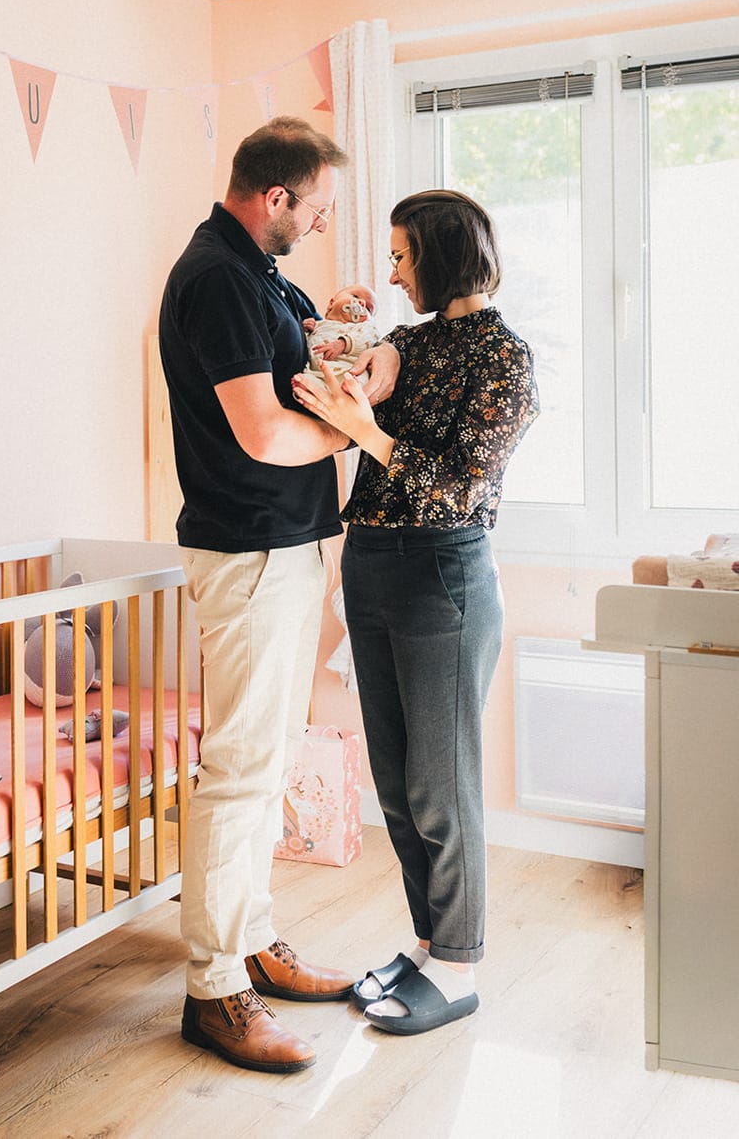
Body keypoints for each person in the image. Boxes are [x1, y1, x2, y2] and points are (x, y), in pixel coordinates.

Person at [292, 189, 539, 1037]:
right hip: (372, 561)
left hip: (445, 575)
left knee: (444, 785)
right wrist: (342, 327)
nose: (392, 274)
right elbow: (343, 369)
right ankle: (431, 943)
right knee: (395, 782)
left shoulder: (503, 358)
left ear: (438, 254)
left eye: (401, 258)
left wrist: (368, 429)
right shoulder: (407, 342)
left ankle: (461, 967)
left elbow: (462, 488)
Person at [158, 116, 356, 1075]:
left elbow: (297, 362)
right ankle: (213, 990)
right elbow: (266, 434)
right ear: (274, 198)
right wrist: (352, 434)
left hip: (285, 545)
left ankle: (252, 938)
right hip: (249, 549)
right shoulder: (218, 277)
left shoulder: (260, 272)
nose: (315, 228)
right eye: (313, 212)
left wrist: (334, 333)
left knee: (271, 762)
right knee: (240, 769)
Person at [302, 283, 379, 384]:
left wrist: (344, 343)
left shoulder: (363, 327)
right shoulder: (318, 326)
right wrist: (304, 329)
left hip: (349, 372)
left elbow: (370, 337)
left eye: (368, 309)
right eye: (355, 296)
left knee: (362, 379)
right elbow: (304, 346)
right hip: (319, 374)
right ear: (331, 303)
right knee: (306, 380)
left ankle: (352, 391)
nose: (361, 303)